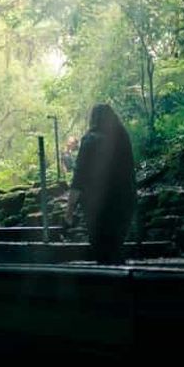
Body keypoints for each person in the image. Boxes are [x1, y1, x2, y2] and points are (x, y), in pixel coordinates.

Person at [64, 104, 136, 264]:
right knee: (115, 247)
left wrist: (69, 210)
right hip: (125, 201)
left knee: (102, 248)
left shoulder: (90, 139)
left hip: (99, 205)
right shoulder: (123, 137)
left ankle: (107, 283)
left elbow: (79, 177)